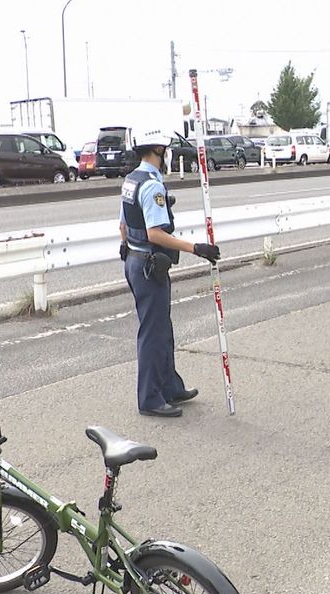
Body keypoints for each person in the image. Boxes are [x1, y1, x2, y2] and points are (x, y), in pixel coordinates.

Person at [119, 130, 221, 417]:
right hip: (149, 265)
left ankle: (170, 387)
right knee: (153, 333)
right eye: (165, 149)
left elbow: (124, 225)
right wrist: (195, 248)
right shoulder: (151, 186)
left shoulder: (131, 180)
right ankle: (150, 398)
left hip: (135, 260)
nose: (168, 154)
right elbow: (155, 232)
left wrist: (128, 247)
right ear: (157, 151)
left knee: (162, 328)